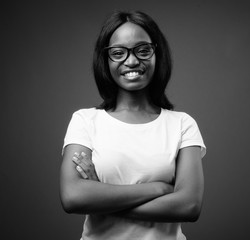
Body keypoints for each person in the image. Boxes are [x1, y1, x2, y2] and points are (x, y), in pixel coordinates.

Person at [59, 10, 206, 240]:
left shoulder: (182, 124)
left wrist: (101, 198)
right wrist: (158, 189)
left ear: (157, 54)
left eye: (143, 50)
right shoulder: (85, 121)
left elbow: (189, 206)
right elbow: (73, 197)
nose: (132, 60)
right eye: (118, 53)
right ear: (105, 60)